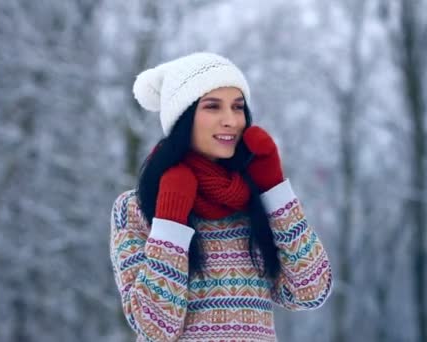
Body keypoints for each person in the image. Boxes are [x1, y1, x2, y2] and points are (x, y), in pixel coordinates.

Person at [109, 52, 333, 342]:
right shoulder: (135, 207)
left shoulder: (255, 204)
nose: (231, 120)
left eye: (237, 107)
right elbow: (156, 328)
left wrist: (276, 191)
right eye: (213, 107)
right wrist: (170, 219)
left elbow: (310, 291)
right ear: (183, 117)